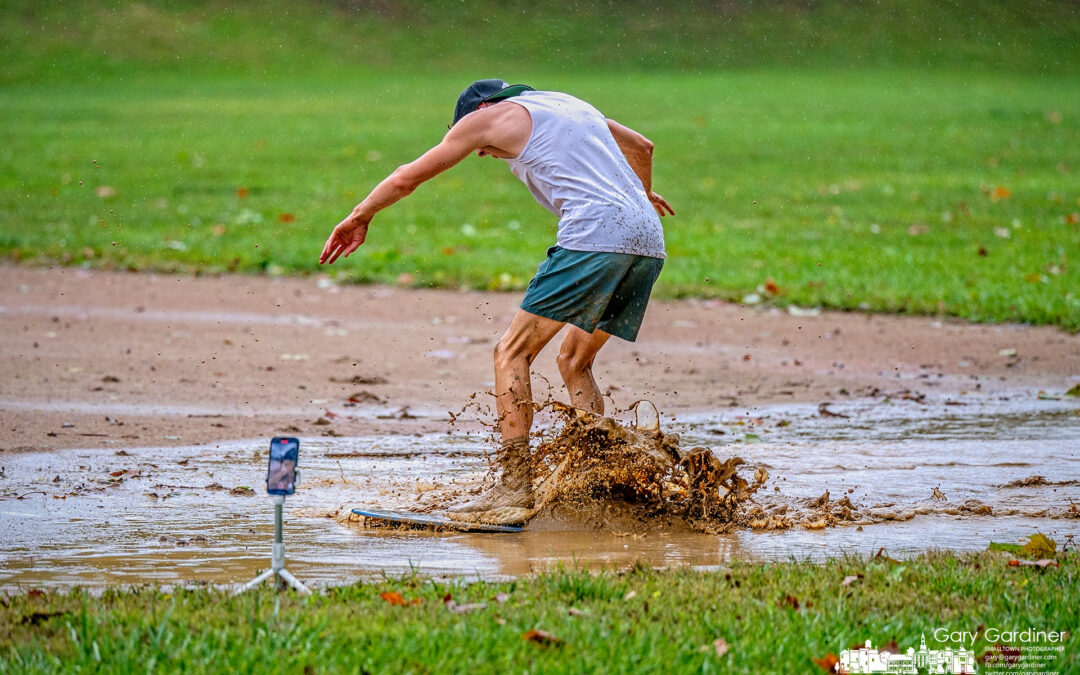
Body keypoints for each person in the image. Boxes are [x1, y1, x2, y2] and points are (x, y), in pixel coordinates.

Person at [320, 79, 673, 523]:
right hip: (648, 241)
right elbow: (642, 145)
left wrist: (359, 216)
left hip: (595, 237)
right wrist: (642, 195)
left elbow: (408, 177)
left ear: (481, 109)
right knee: (574, 362)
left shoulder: (487, 118)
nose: (483, 153)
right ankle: (596, 475)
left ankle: (512, 488)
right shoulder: (566, 104)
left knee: (511, 352)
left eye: (478, 144)